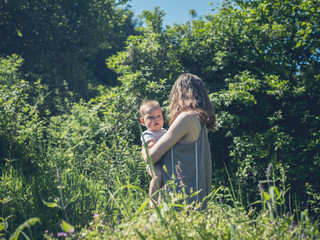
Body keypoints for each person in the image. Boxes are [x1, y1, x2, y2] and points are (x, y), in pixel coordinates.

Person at [142, 73, 215, 209]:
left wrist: (144, 146)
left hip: (180, 201)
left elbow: (150, 158)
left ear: (180, 94)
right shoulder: (201, 121)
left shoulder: (186, 118)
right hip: (195, 198)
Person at [139, 100, 166, 207]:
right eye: (151, 117)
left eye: (159, 116)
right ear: (143, 121)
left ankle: (162, 199)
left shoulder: (165, 131)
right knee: (158, 174)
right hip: (154, 164)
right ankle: (152, 199)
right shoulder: (147, 134)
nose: (156, 119)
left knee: (165, 181)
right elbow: (153, 147)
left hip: (163, 161)